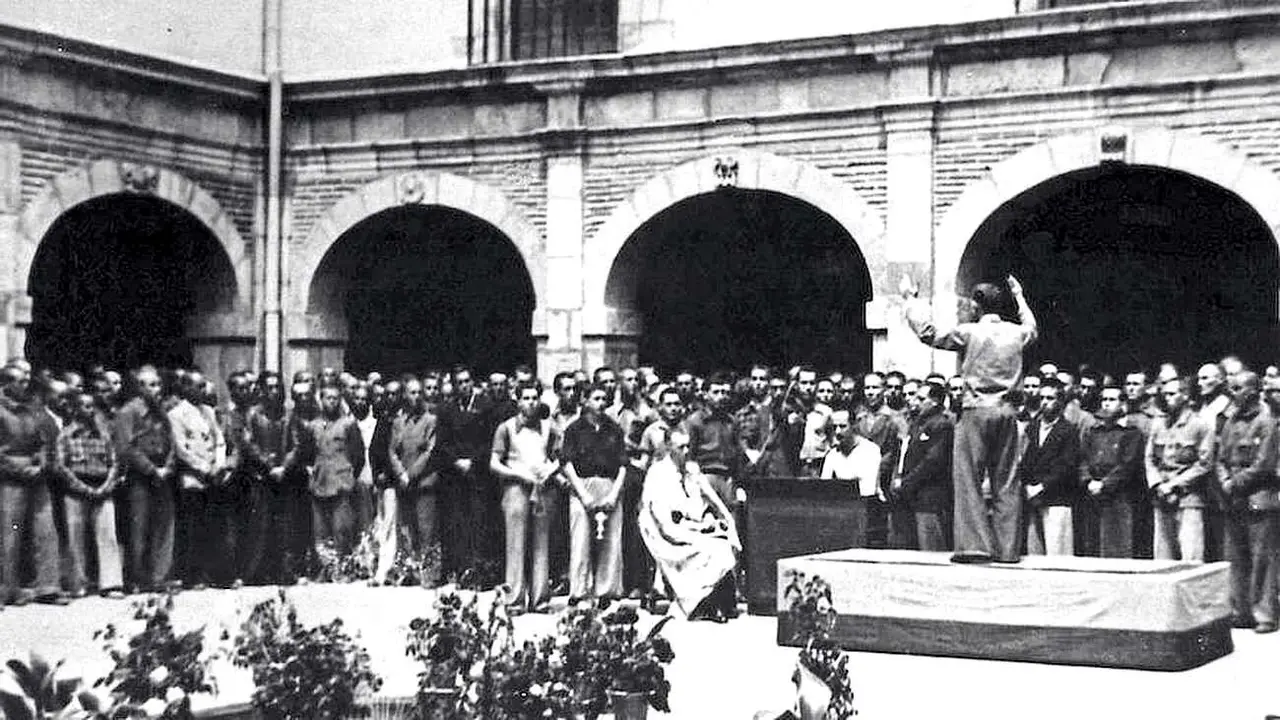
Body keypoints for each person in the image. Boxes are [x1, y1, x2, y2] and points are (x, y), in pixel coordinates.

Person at [903, 274, 1038, 564]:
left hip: (976, 411)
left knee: (968, 479)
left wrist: (911, 301)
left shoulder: (969, 332)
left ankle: (974, 546)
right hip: (1006, 412)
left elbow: (929, 333)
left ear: (977, 307)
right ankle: (1007, 549)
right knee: (1007, 480)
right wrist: (1020, 296)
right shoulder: (1016, 333)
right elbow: (1032, 327)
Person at [639, 428, 741, 622]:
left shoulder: (691, 469)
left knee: (722, 540)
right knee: (710, 546)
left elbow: (709, 496)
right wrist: (690, 529)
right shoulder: (658, 472)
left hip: (688, 524)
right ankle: (699, 604)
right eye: (680, 447)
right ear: (668, 447)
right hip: (662, 530)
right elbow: (659, 516)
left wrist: (725, 518)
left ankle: (717, 601)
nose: (686, 451)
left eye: (688, 446)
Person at [1214, 371, 1279, 633]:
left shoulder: (1267, 423)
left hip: (1259, 499)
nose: (1233, 392)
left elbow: (1264, 464)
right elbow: (1219, 458)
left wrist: (1234, 483)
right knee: (1237, 557)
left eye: (1238, 388)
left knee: (1262, 559)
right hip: (1234, 500)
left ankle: (1264, 614)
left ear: (1253, 391)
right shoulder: (1230, 422)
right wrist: (1225, 480)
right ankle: (1240, 611)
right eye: (1231, 388)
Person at [490, 381, 561, 613]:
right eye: (526, 398)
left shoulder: (549, 427)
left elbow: (561, 455)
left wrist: (551, 469)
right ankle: (515, 599)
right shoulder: (506, 428)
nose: (531, 402)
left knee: (541, 543)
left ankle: (540, 600)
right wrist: (518, 474)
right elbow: (494, 464)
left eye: (534, 398)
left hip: (542, 488)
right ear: (518, 401)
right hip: (516, 489)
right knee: (516, 543)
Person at [0, 364, 68, 606]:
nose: (25, 384)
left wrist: (41, 460)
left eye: (27, 379)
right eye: (19, 380)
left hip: (37, 474)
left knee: (45, 530)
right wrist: (22, 468)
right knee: (10, 534)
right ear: (5, 384)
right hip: (9, 479)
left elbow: (43, 439)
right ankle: (7, 589)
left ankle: (48, 586)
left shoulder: (32, 409)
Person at [54, 390, 125, 599]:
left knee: (107, 535)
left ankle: (111, 583)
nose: (90, 410)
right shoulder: (65, 435)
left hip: (102, 487)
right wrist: (83, 488)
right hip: (76, 489)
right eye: (85, 406)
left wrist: (105, 486)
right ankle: (78, 583)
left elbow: (114, 463)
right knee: (75, 537)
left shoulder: (103, 434)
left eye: (92, 406)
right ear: (75, 409)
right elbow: (61, 466)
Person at [113, 366, 178, 594]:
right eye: (147, 385)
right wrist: (151, 470)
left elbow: (171, 441)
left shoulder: (161, 413)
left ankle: (158, 577)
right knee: (137, 529)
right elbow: (125, 447)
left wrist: (168, 466)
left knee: (162, 527)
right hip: (140, 477)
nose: (153, 390)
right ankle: (136, 578)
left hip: (163, 474)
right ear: (138, 387)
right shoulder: (128, 412)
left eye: (156, 384)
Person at [561, 384, 627, 603]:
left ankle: (606, 591)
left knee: (611, 539)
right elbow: (567, 464)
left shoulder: (614, 429)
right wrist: (583, 494)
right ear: (585, 401)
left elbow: (623, 465)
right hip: (582, 486)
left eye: (604, 399)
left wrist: (614, 494)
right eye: (596, 398)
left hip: (609, 485)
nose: (601, 403)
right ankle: (579, 591)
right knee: (580, 538)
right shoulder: (574, 429)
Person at [1146, 377, 1214, 561]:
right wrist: (1158, 484)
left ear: (1185, 396)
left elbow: (1204, 463)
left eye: (1172, 394)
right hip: (1161, 497)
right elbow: (1150, 458)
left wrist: (1174, 485)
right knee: (1162, 557)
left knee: (1191, 558)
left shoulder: (1200, 425)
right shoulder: (1158, 424)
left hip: (1188, 498)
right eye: (1165, 394)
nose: (1166, 398)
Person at [1079, 385, 1144, 558]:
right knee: (1092, 548)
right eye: (1104, 400)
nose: (1106, 404)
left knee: (1117, 547)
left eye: (1111, 400)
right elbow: (1084, 459)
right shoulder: (1093, 432)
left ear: (1122, 404)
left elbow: (1128, 465)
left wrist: (1105, 484)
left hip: (1119, 498)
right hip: (1093, 496)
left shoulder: (1131, 433)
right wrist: (1089, 481)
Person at [1018, 379, 1081, 556]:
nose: (1045, 401)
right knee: (1033, 552)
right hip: (1032, 499)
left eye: (1050, 397)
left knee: (1057, 552)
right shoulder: (1032, 427)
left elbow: (1067, 465)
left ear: (1060, 401)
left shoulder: (1068, 430)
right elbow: (1025, 460)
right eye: (1042, 397)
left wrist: (1041, 486)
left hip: (1057, 499)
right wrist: (1028, 486)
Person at [893, 382, 954, 552]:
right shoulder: (918, 424)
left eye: (920, 398)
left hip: (930, 499)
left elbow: (932, 462)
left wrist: (906, 483)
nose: (914, 401)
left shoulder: (941, 425)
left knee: (931, 549)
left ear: (934, 402)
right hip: (913, 497)